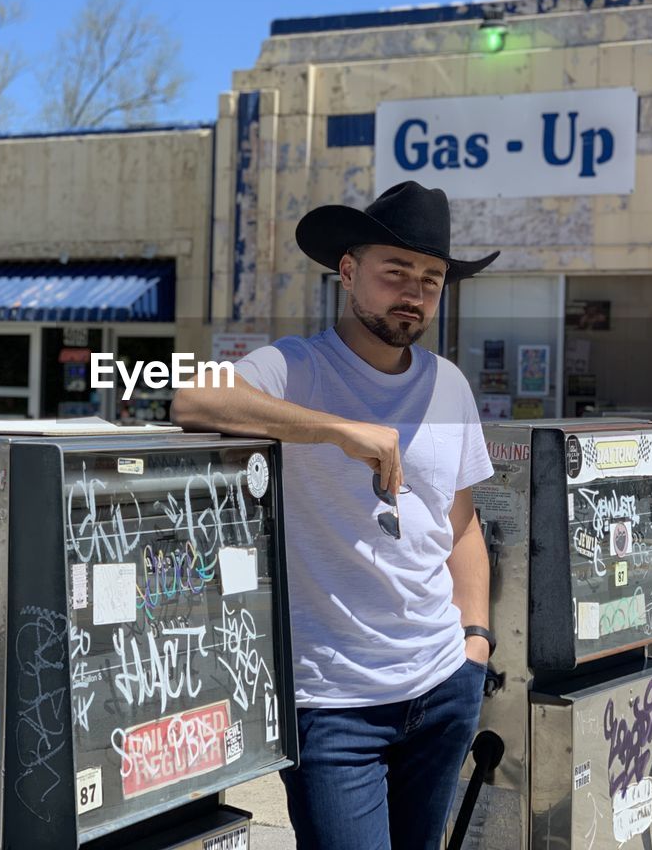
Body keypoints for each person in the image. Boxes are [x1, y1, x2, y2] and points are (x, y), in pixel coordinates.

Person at [171, 180, 498, 850]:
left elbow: (460, 527)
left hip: (442, 683)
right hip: (332, 703)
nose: (414, 291)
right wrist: (337, 429)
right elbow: (192, 398)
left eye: (431, 279)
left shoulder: (450, 384)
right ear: (349, 273)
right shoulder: (297, 367)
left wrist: (476, 641)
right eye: (395, 271)